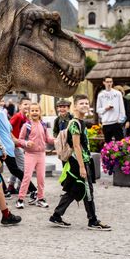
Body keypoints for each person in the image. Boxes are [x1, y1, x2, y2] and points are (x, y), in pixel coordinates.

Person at [49, 94, 111, 230]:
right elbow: (76, 146)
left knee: (74, 189)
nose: (85, 105)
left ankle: (56, 215)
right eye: (81, 103)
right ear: (75, 106)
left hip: (80, 161)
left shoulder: (81, 122)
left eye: (87, 103)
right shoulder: (75, 124)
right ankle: (93, 220)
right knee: (88, 190)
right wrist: (82, 167)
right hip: (78, 162)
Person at [0, 98, 37, 200]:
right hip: (8, 145)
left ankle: (7, 191)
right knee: (13, 170)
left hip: (3, 147)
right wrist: (22, 142)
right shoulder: (3, 114)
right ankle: (29, 189)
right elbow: (10, 132)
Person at [16, 103, 54, 209]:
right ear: (29, 112)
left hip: (41, 154)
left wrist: (56, 140)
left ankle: (40, 198)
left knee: (41, 178)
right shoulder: (26, 125)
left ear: (40, 112)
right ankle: (20, 199)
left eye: (36, 110)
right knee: (27, 177)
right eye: (32, 111)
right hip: (30, 155)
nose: (34, 112)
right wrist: (27, 143)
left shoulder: (44, 125)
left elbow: (48, 139)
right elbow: (20, 140)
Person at [9, 97, 32, 195]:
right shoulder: (17, 116)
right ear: (19, 106)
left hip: (19, 145)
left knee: (17, 167)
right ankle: (21, 187)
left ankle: (11, 185)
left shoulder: (26, 118)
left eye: (29, 104)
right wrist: (14, 140)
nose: (27, 106)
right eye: (25, 104)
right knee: (23, 166)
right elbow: (8, 128)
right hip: (15, 145)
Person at [96, 77, 125, 142]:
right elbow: (98, 110)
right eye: (107, 82)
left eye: (110, 82)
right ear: (104, 83)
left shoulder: (118, 94)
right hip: (106, 123)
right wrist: (105, 109)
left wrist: (120, 120)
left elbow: (122, 108)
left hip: (116, 122)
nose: (109, 83)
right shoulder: (101, 95)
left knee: (120, 143)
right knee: (108, 144)